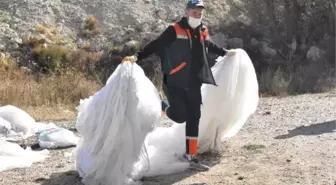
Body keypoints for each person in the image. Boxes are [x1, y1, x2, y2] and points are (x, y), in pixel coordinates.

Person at [121, 0, 236, 171]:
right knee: (181, 116)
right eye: (195, 11)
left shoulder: (203, 30)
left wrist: (225, 53)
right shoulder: (174, 29)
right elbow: (156, 44)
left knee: (194, 117)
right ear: (187, 11)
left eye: (200, 12)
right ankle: (162, 105)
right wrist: (137, 56)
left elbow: (208, 45)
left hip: (194, 81)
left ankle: (190, 156)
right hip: (175, 80)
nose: (198, 14)